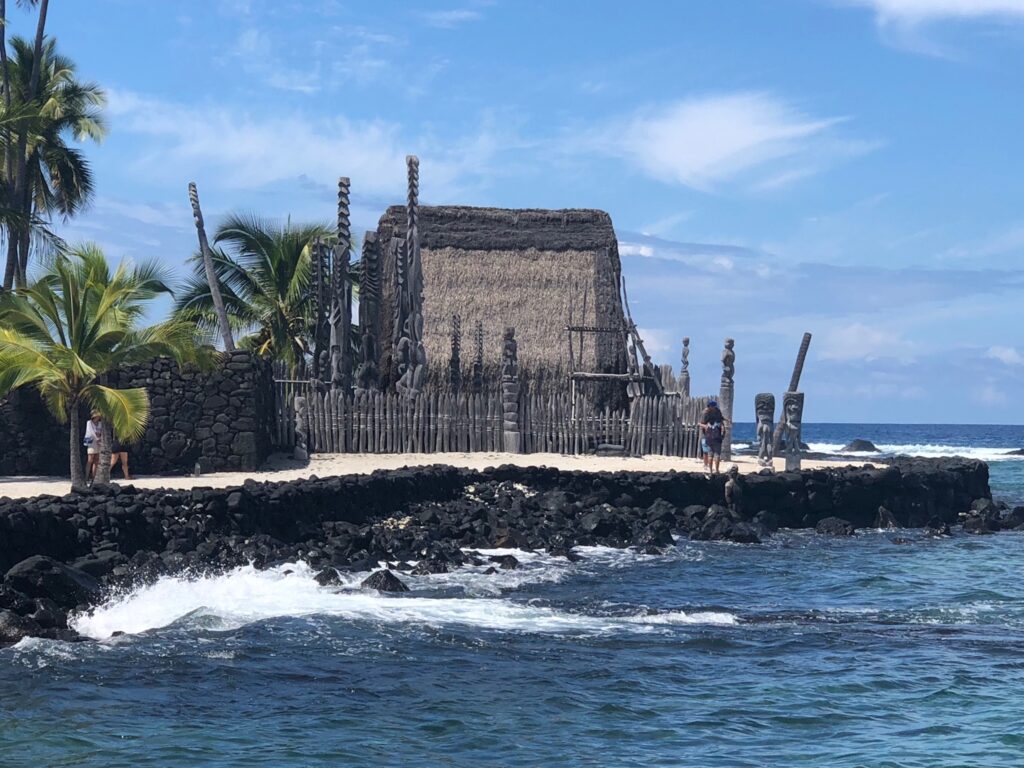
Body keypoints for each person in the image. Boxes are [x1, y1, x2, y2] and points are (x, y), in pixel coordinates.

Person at [700, 399, 727, 476]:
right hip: (716, 436)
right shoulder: (716, 413)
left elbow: (701, 424)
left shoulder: (706, 413)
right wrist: (722, 434)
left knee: (710, 454)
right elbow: (722, 425)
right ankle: (717, 470)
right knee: (716, 454)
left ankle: (711, 470)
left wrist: (705, 427)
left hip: (708, 436)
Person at [84, 410, 104, 484]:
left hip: (98, 443)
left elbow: (101, 432)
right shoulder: (89, 423)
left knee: (96, 460)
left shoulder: (100, 423)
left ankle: (94, 477)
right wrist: (97, 439)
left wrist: (100, 439)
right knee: (90, 459)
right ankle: (86, 477)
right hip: (92, 442)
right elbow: (91, 432)